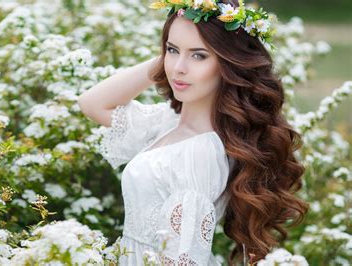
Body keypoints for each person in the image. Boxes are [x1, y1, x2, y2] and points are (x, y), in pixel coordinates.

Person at [77, 0, 309, 265]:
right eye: (172, 50)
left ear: (228, 64)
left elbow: (182, 259)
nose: (179, 68)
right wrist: (175, 52)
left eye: (199, 55)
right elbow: (92, 103)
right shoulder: (167, 121)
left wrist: (180, 49)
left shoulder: (200, 155)